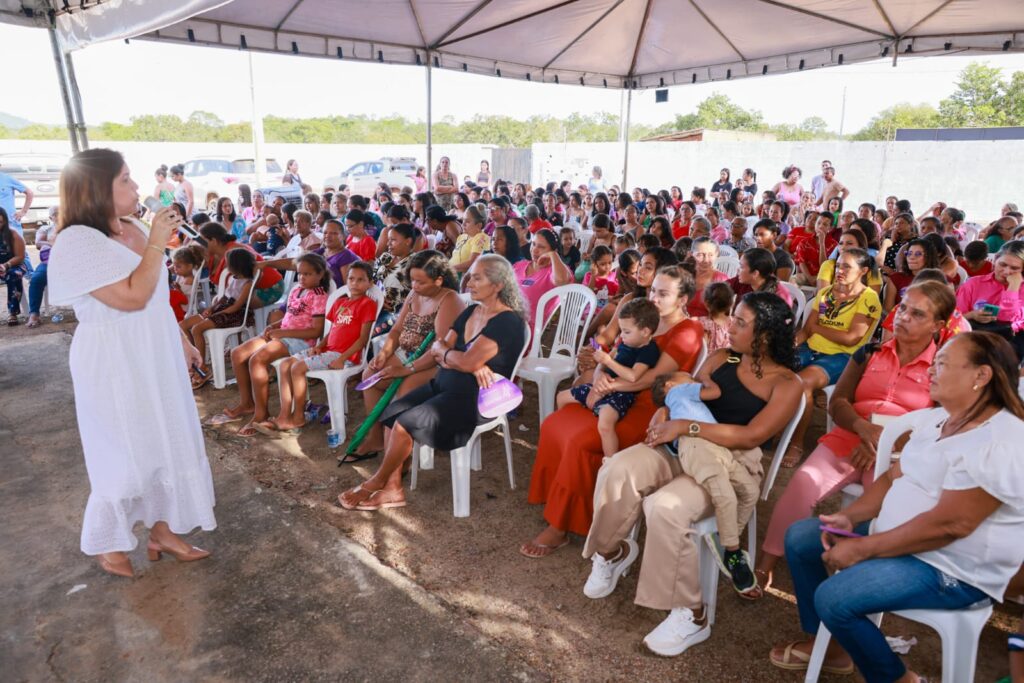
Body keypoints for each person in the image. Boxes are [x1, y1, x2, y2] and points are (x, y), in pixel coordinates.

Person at [770, 331, 1024, 682]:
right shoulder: (938, 420)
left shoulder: (1001, 441)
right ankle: (832, 647)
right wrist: (849, 517)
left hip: (953, 566)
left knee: (835, 596)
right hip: (903, 539)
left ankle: (898, 678)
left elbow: (951, 526)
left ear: (981, 376)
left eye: (944, 364)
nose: (932, 371)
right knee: (801, 538)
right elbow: (891, 477)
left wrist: (864, 548)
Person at [581, 292, 803, 654]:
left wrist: (686, 427)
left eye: (741, 323)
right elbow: (685, 393)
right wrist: (667, 414)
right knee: (618, 468)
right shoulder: (722, 357)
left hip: (728, 463)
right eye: (733, 317)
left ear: (764, 336)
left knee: (665, 507)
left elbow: (753, 435)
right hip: (679, 446)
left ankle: (692, 613)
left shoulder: (786, 384)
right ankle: (614, 550)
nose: (729, 326)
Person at [46, 148, 215, 578]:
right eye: (126, 179)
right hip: (113, 360)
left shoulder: (134, 226)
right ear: (97, 189)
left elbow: (155, 298)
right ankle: (108, 540)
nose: (137, 187)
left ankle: (163, 531)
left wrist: (180, 341)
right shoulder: (77, 241)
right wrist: (158, 240)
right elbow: (131, 296)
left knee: (165, 440)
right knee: (123, 450)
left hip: (153, 351)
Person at [755, 281, 955, 593]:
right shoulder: (869, 353)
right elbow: (838, 402)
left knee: (887, 510)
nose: (904, 317)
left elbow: (943, 424)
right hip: (851, 435)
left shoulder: (944, 368)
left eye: (917, 314)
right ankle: (767, 561)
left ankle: (860, 579)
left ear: (938, 325)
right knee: (803, 483)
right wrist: (863, 430)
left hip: (902, 455)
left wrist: (884, 444)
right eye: (903, 308)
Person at [523, 259, 704, 557]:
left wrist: (607, 387)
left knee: (581, 440)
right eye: (653, 291)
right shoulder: (644, 316)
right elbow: (609, 354)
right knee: (557, 423)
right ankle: (557, 503)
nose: (654, 298)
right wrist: (597, 381)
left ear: (683, 300)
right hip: (612, 393)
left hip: (647, 407)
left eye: (663, 294)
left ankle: (561, 526)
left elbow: (650, 379)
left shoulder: (687, 332)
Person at [338, 255, 527, 511]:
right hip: (444, 385)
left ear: (498, 285)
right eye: (469, 275)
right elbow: (441, 345)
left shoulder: (507, 321)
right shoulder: (473, 310)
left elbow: (462, 358)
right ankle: (393, 490)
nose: (468, 281)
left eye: (477, 277)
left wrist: (454, 357)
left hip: (470, 399)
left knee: (405, 424)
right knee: (392, 415)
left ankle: (376, 482)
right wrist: (455, 358)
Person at [348, 250, 464, 461]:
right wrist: (384, 354)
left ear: (439, 280)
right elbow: (397, 330)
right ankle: (375, 438)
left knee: (406, 389)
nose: (414, 287)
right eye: (412, 280)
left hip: (436, 362)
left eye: (420, 282)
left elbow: (439, 349)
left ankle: (401, 454)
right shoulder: (414, 293)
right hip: (405, 353)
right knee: (370, 376)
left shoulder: (450, 299)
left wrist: (407, 369)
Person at [783, 248, 882, 468]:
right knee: (776, 368)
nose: (840, 270)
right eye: (838, 265)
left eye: (847, 266)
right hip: (811, 348)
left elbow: (850, 338)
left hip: (842, 356)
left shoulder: (868, 297)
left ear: (863, 271)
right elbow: (808, 329)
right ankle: (774, 426)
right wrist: (790, 346)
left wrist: (818, 328)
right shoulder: (827, 293)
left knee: (803, 382)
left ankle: (796, 443)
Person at [214, 253, 330, 436]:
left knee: (257, 360)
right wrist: (274, 326)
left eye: (307, 274)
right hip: (282, 334)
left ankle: (261, 414)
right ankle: (247, 404)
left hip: (300, 341)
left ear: (320, 274)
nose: (302, 277)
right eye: (300, 273)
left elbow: (315, 332)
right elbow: (291, 317)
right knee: (238, 353)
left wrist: (282, 332)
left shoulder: (319, 296)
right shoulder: (295, 290)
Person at [260, 262, 377, 435]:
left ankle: (298, 416)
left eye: (361, 280)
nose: (355, 283)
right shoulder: (341, 303)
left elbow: (363, 339)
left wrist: (342, 358)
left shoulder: (367, 304)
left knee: (297, 368)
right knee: (285, 364)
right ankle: (284, 415)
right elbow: (333, 331)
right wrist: (319, 346)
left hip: (341, 356)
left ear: (370, 283)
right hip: (326, 350)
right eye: (351, 279)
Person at [558, 299, 661, 459]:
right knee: (561, 397)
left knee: (605, 425)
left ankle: (610, 462)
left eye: (626, 332)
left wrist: (607, 361)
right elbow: (609, 358)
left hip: (620, 393)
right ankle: (562, 435)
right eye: (621, 331)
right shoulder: (626, 342)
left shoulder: (648, 350)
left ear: (645, 332)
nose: (622, 336)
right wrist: (600, 362)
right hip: (602, 385)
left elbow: (633, 376)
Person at [179, 248, 257, 389]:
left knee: (197, 329)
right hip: (221, 308)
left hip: (233, 314)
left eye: (229, 264)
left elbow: (236, 306)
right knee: (183, 325)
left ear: (237, 266)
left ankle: (203, 368)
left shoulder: (247, 283)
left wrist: (216, 314)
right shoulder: (234, 278)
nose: (226, 267)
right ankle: (195, 360)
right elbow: (224, 298)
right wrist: (211, 308)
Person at [956, 240, 1024, 361]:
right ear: (995, 260)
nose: (1007, 271)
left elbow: (1007, 319)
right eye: (1002, 264)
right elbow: (955, 317)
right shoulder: (974, 284)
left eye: (1014, 268)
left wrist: (1013, 288)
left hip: (1008, 344)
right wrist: (973, 315)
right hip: (973, 337)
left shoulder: (1021, 289)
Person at [513, 228, 573, 324]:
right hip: (510, 318)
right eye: (533, 244)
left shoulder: (555, 270)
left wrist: (553, 255)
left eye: (541, 247)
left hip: (531, 327)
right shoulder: (519, 265)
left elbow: (562, 281)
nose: (534, 250)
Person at [727, 247, 793, 309]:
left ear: (755, 273)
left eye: (741, 267)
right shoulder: (742, 280)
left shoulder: (780, 297)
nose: (737, 270)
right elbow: (719, 290)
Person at [26, 205, 59, 327]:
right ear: (51, 217)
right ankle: (34, 314)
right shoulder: (46, 228)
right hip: (49, 263)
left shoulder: (72, 227)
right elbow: (38, 243)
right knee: (36, 279)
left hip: (71, 262)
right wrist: (56, 244)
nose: (60, 215)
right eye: (56, 213)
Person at [686, 237, 728, 318]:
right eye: (700, 255)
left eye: (710, 255)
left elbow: (721, 315)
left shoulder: (721, 280)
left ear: (717, 255)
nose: (706, 260)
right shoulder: (683, 274)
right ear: (691, 254)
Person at [0, 207, 27, 325]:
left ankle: (13, 312)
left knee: (13, 275)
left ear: (5, 221)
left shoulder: (13, 234)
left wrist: (6, 265)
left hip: (14, 265)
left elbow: (20, 256)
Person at [0, 156, 35, 237]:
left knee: (16, 248)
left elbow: (29, 193)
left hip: (10, 222)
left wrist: (23, 211)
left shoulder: (7, 179)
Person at [450, 205, 489, 275]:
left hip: (466, 276)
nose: (463, 224)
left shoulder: (482, 238)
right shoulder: (462, 237)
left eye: (467, 221)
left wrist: (449, 268)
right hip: (453, 274)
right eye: (463, 220)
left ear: (479, 225)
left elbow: (473, 262)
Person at [696, 281, 733, 353]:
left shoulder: (700, 323)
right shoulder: (734, 323)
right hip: (727, 362)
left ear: (706, 303)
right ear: (731, 303)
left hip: (706, 363)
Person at [582, 244, 618, 310]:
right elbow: (587, 294)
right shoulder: (589, 276)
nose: (607, 266)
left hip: (608, 309)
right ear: (594, 264)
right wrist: (593, 276)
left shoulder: (614, 276)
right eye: (603, 264)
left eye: (610, 263)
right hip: (591, 308)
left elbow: (617, 295)